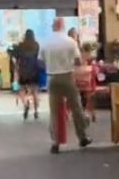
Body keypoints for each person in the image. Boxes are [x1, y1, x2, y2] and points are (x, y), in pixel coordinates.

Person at [40, 18, 92, 153]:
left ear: (53, 26)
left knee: (54, 112)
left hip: (52, 78)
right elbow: (78, 61)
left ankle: (55, 142)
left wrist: (51, 66)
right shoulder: (70, 42)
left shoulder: (45, 42)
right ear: (63, 26)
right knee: (76, 107)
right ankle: (82, 137)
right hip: (68, 77)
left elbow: (40, 61)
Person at [14, 29, 41, 120]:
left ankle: (26, 104)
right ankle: (36, 111)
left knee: (22, 90)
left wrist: (16, 71)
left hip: (23, 72)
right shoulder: (36, 45)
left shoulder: (21, 46)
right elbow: (40, 58)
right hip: (34, 71)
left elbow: (17, 60)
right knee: (35, 92)